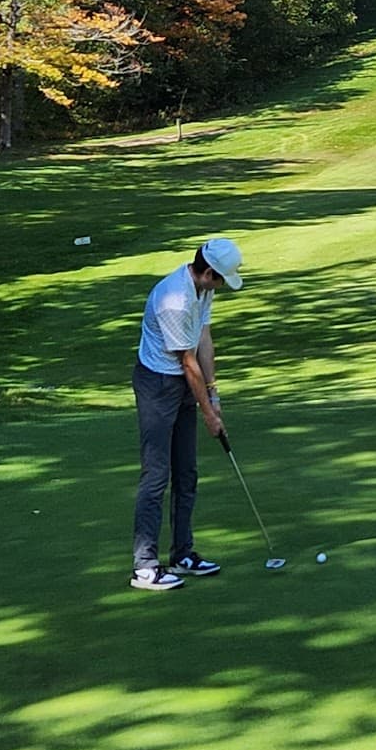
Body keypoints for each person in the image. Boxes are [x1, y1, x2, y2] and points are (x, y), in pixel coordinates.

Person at [129, 237, 244, 591]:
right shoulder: (175, 300)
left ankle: (182, 554)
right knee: (156, 475)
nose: (222, 286)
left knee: (187, 472)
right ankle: (145, 567)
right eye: (222, 280)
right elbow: (188, 362)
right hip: (157, 383)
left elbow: (204, 340)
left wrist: (214, 393)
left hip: (182, 382)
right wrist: (208, 414)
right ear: (209, 274)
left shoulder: (203, 290)